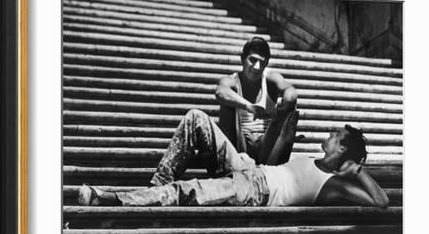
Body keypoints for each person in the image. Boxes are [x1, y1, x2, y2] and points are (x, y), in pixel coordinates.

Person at [77, 109, 389, 209]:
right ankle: (152, 189)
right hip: (250, 169)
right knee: (197, 119)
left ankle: (115, 200)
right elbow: (272, 161)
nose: (330, 133)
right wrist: (282, 131)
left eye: (335, 134)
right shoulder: (310, 159)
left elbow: (381, 202)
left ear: (344, 149)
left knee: (187, 190)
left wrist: (358, 171)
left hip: (255, 192)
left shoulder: (333, 185)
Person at [215, 36, 298, 164]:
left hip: (266, 145)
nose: (257, 67)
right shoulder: (232, 80)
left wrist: (282, 108)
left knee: (290, 107)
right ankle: (230, 165)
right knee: (227, 105)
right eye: (252, 60)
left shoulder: (270, 78)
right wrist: (249, 106)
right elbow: (220, 92)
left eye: (262, 62)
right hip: (238, 145)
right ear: (242, 59)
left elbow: (291, 93)